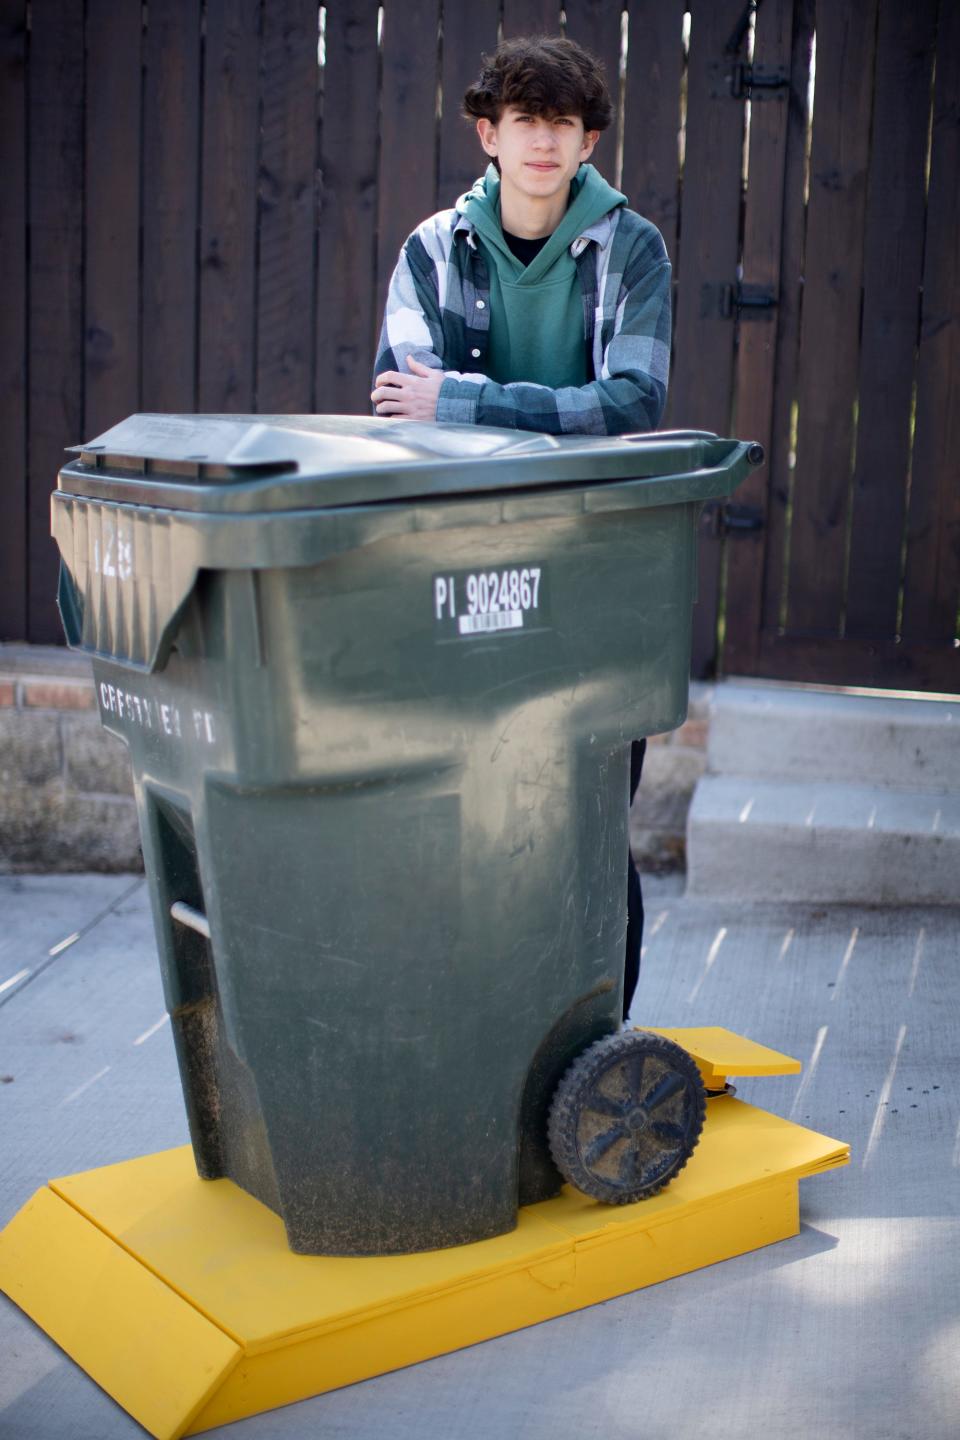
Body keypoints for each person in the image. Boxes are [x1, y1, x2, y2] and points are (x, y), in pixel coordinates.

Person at [372, 35, 671, 1019]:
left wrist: (467, 404)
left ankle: (598, 1036)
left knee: (589, 819)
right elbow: (397, 408)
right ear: (488, 133)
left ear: (587, 142)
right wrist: (537, 409)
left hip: (595, 562)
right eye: (525, 120)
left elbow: (631, 401)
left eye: (564, 124)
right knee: (458, 812)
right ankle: (468, 1034)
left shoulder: (631, 248)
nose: (543, 142)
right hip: (460, 565)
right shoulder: (431, 250)